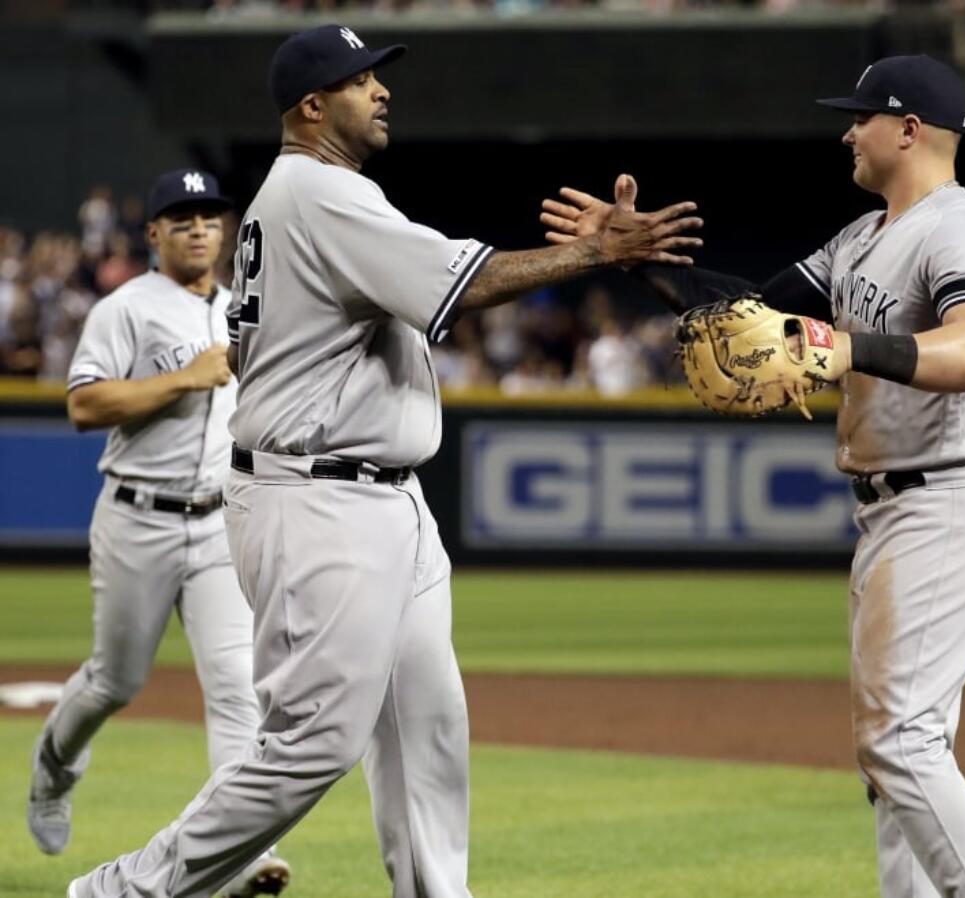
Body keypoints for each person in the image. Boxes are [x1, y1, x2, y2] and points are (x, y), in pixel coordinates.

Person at [68, 23, 700, 898]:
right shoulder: (320, 195)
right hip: (316, 498)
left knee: (426, 725)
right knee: (310, 745)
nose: (382, 90)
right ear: (312, 105)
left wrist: (596, 251)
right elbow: (461, 284)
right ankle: (123, 891)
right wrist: (595, 251)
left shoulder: (314, 198)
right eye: (362, 79)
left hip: (377, 500)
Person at [544, 54, 965, 898]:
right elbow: (752, 313)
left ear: (908, 130)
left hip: (951, 496)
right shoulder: (863, 236)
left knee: (900, 743)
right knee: (899, 755)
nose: (847, 129)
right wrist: (628, 259)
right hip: (899, 507)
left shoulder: (962, 229)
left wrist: (846, 347)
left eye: (861, 116)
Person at [34, 169, 290, 898]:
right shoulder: (126, 310)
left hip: (217, 523)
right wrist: (183, 378)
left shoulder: (249, 306)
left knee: (241, 691)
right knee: (115, 682)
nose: (198, 229)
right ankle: (53, 770)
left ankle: (236, 859)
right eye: (180, 219)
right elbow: (84, 406)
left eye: (209, 217)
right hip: (137, 517)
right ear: (153, 234)